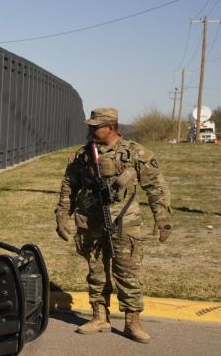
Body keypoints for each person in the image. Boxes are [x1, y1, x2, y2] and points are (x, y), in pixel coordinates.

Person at [55, 107, 171, 343]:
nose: (91, 130)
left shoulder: (135, 152)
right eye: (90, 126)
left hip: (124, 222)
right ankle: (100, 316)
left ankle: (132, 323)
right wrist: (62, 216)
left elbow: (156, 188)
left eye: (96, 126)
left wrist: (162, 219)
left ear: (112, 127)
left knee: (127, 271)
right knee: (96, 270)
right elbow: (69, 185)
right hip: (91, 221)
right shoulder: (83, 155)